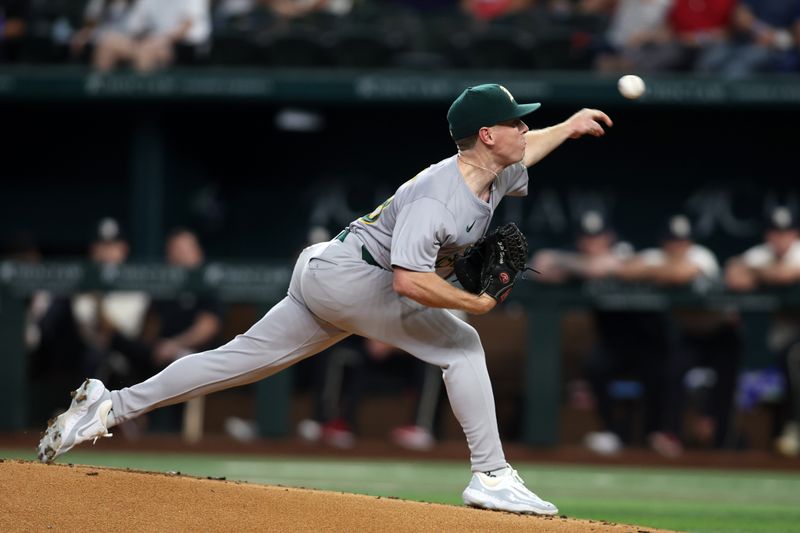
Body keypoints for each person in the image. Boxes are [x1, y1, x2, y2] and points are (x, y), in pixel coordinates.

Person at [37, 83, 612, 515]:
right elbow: (408, 283)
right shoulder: (440, 197)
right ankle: (490, 475)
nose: (522, 129)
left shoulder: (495, 171)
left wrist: (568, 125)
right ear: (487, 135)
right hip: (352, 277)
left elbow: (529, 149)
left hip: (328, 270)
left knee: (237, 360)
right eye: (514, 122)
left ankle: (108, 405)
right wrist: (477, 305)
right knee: (462, 345)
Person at [725, 205, 800, 457]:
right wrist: (760, 270)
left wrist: (757, 272)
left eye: (786, 232)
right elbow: (735, 277)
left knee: (796, 356)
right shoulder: (761, 254)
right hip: (785, 333)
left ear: (795, 234)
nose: (780, 238)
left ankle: (795, 427)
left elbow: (785, 275)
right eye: (775, 233)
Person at [93, 0, 211, 73]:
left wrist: (157, 41)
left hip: (187, 47)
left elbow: (185, 27)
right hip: (150, 42)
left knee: (147, 51)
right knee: (109, 43)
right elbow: (135, 28)